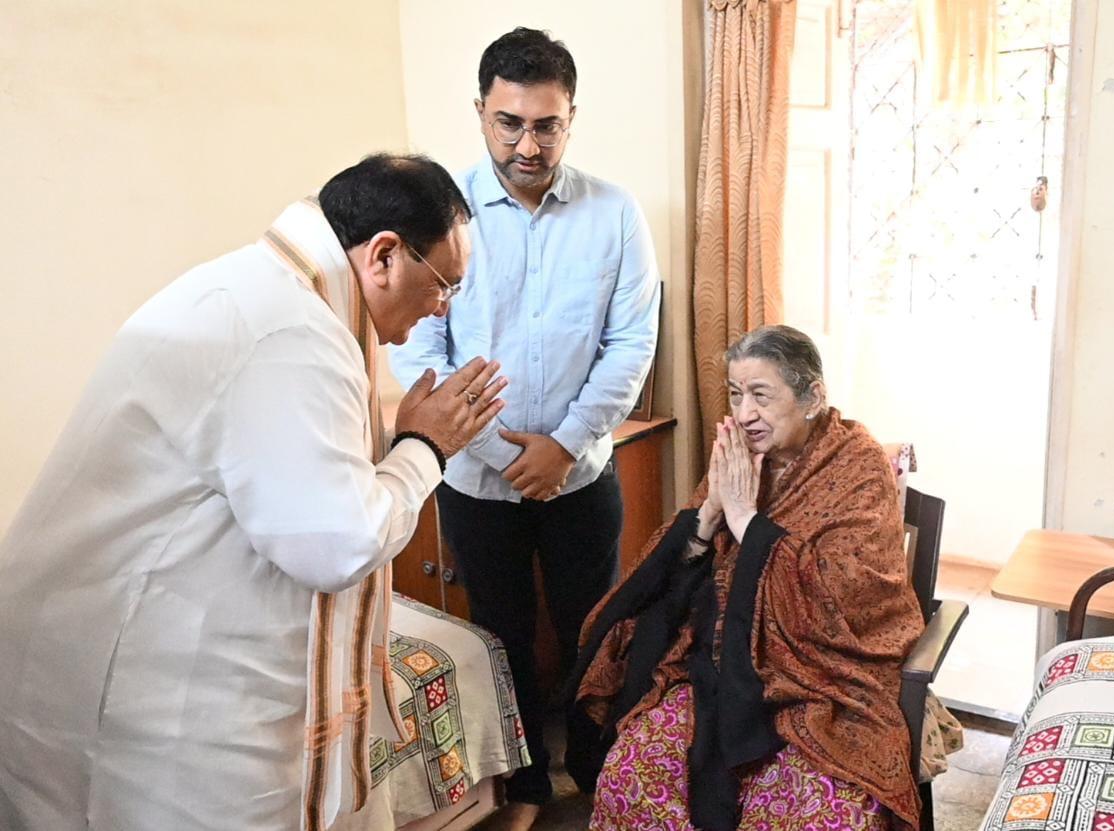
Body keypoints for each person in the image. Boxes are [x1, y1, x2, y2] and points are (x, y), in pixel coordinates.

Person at [0, 154, 508, 831]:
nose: (444, 305)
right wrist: (427, 448)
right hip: (145, 676)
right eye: (444, 283)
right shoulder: (290, 331)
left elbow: (295, 485)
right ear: (384, 255)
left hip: (172, 631)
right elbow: (340, 542)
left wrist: (401, 445)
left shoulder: (275, 294)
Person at [389, 27, 660, 828]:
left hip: (582, 475)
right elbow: (418, 348)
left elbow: (631, 342)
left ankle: (591, 765)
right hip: (474, 479)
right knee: (497, 637)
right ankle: (528, 787)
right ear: (481, 113)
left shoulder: (615, 213)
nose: (527, 143)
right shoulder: (441, 212)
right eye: (510, 122)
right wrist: (492, 450)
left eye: (546, 124)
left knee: (594, 630)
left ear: (571, 119)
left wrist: (564, 443)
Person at [568, 325, 927, 831]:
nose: (744, 414)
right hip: (717, 668)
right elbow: (675, 562)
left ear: (812, 397)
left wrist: (746, 524)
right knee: (632, 775)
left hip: (821, 683)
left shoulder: (856, 462)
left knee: (820, 815)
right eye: (736, 395)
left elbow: (848, 594)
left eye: (761, 395)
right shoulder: (741, 454)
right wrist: (710, 518)